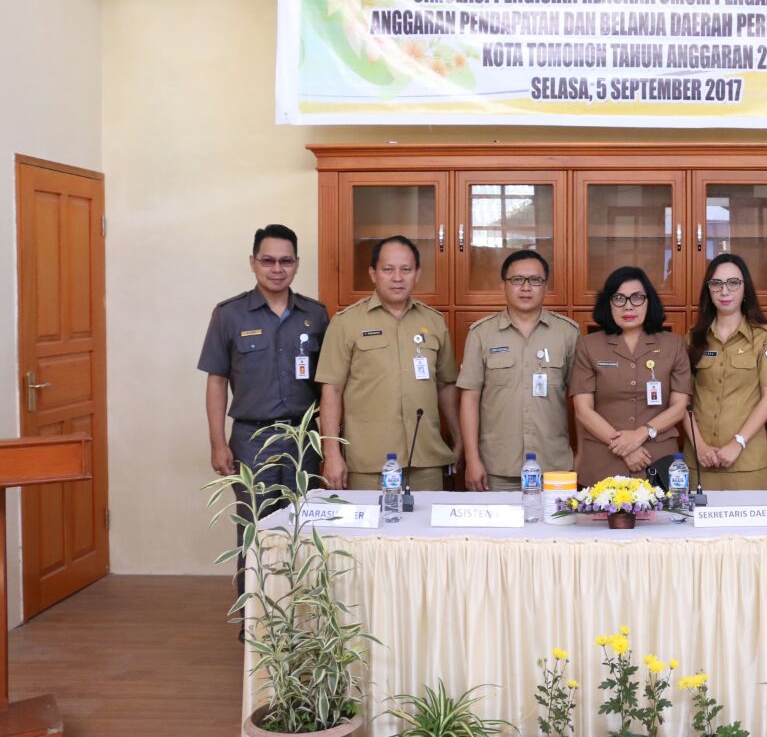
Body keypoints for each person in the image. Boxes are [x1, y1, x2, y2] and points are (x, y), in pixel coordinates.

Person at [197, 223, 328, 601]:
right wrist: (218, 443)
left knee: (304, 528)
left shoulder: (315, 315)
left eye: (285, 261)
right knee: (254, 530)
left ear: (297, 264)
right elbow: (217, 381)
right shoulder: (229, 315)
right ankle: (255, 620)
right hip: (251, 440)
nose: (277, 269)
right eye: (268, 261)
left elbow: (331, 385)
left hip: (303, 439)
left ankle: (301, 615)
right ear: (253, 262)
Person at [315, 235, 462, 490]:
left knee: (428, 518)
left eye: (406, 270)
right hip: (369, 462)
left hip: (426, 459)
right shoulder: (346, 323)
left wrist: (459, 438)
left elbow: (446, 386)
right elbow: (332, 391)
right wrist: (332, 454)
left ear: (417, 274)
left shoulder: (434, 322)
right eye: (388, 270)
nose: (397, 278)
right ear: (373, 274)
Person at [456, 250, 579, 491]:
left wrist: (581, 454)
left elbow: (581, 401)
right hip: (496, 467)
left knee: (555, 518)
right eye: (517, 280)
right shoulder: (481, 334)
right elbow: (469, 398)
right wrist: (472, 459)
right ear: (503, 285)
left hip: (554, 466)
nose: (526, 287)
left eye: (535, 280)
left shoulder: (568, 333)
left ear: (546, 286)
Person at [570, 267, 691, 488]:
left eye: (637, 298)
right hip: (604, 460)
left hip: (657, 459)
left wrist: (641, 434)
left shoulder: (673, 345)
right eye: (619, 298)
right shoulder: (588, 346)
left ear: (649, 302)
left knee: (662, 511)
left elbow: (679, 407)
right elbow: (583, 410)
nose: (628, 306)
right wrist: (625, 446)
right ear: (608, 303)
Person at [685, 254, 767, 490]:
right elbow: (683, 401)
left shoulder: (764, 336)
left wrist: (738, 443)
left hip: (747, 462)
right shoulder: (694, 338)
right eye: (716, 284)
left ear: (745, 288)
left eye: (733, 283)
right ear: (708, 290)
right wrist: (699, 445)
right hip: (700, 461)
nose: (724, 291)